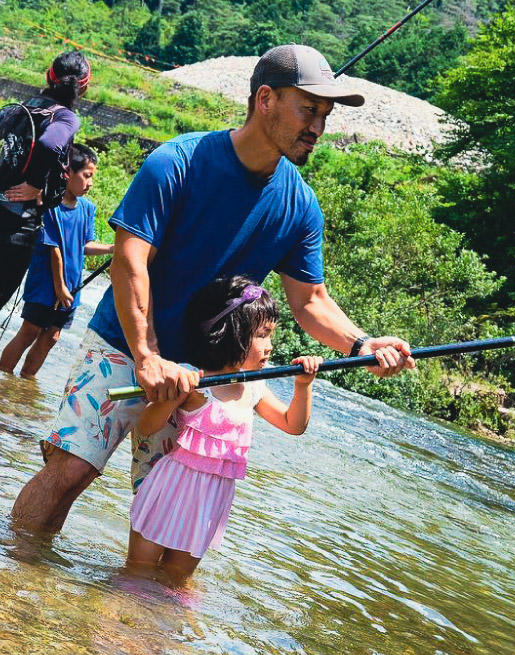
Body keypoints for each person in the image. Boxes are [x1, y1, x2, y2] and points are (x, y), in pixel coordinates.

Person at [11, 43, 414, 535]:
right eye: (309, 109)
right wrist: (147, 355)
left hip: (205, 378)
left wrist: (361, 343)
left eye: (325, 115)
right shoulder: (176, 162)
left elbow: (309, 301)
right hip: (123, 346)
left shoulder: (301, 206)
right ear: (264, 99)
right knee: (69, 472)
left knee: (171, 522)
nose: (318, 128)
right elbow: (131, 260)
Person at [128, 275, 321, 580]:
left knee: (175, 582)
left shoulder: (253, 386)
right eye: (262, 335)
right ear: (232, 333)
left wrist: (303, 386)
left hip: (210, 501)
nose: (270, 347)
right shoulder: (196, 382)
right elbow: (146, 425)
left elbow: (292, 424)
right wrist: (174, 395)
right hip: (170, 489)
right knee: (137, 574)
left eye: (271, 336)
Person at [0, 144, 113, 378]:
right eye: (86, 176)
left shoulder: (87, 209)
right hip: (46, 284)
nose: (89, 183)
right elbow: (54, 249)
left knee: (52, 336)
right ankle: (4, 374)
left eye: (92, 177)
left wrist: (113, 248)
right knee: (30, 331)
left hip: (71, 287)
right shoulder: (51, 205)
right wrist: (59, 286)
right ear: (68, 173)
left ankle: (25, 382)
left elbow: (84, 246)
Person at [0, 51, 91, 310]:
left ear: (49, 76)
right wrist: (36, 184)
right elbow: (50, 143)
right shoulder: (65, 117)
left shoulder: (26, 104)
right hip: (16, 226)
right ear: (83, 88)